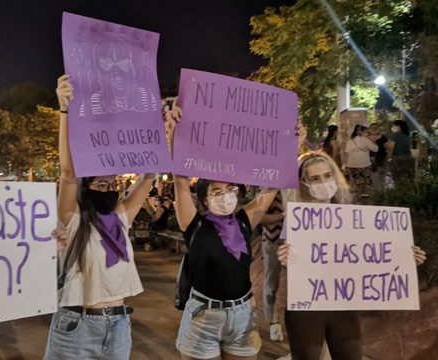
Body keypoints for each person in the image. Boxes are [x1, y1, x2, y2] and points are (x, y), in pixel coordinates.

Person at [165, 104, 306, 360]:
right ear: (205, 199)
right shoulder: (194, 225)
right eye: (217, 192)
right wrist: (176, 134)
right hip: (203, 317)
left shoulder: (244, 221)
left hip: (242, 315)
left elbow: (270, 189)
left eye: (231, 189)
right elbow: (180, 181)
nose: (226, 196)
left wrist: (292, 148)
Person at [276, 151, 427, 360]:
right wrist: (286, 260)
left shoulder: (353, 217)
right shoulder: (295, 220)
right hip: (306, 309)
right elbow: (293, 265)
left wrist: (404, 257)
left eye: (328, 176)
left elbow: (371, 255)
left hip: (343, 307)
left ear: (335, 177)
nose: (324, 182)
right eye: (315, 178)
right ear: (304, 183)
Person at [45, 75, 154, 359]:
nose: (109, 190)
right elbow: (67, 174)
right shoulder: (71, 219)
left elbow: (148, 177)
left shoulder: (120, 219)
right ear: (86, 187)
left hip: (118, 325)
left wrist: (166, 129)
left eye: (113, 185)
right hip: (77, 326)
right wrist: (65, 111)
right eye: (101, 185)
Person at [259, 191, 285, 342]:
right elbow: (258, 217)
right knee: (271, 285)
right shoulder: (269, 185)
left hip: (297, 241)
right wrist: (283, 215)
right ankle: (273, 323)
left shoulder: (301, 183)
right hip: (272, 241)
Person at [344, 124, 378, 202]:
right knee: (367, 182)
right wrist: (372, 140)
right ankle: (366, 198)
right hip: (364, 165)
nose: (367, 134)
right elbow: (375, 149)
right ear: (361, 132)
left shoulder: (350, 141)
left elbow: (347, 153)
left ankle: (356, 198)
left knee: (356, 182)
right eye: (366, 132)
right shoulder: (365, 140)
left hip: (352, 165)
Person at [368, 123, 389, 192]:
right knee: (373, 177)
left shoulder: (383, 137)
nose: (374, 129)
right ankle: (375, 192)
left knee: (382, 177)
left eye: (376, 128)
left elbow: (388, 147)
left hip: (382, 158)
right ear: (369, 129)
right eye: (372, 128)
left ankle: (381, 193)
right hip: (370, 160)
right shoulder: (366, 138)